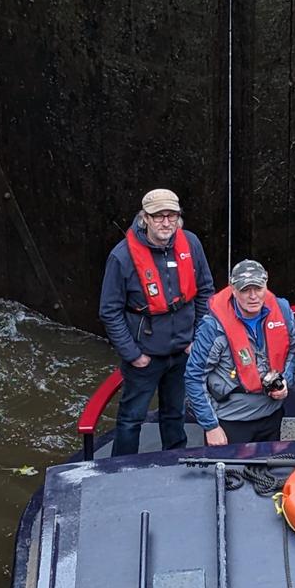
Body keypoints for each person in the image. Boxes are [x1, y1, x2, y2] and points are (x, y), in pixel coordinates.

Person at [99, 189, 215, 456]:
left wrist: (197, 337)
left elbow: (206, 291)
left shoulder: (192, 244)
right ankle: (122, 467)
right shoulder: (122, 257)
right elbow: (110, 311)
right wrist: (133, 354)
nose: (166, 223)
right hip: (145, 356)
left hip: (183, 350)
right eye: (158, 216)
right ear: (145, 218)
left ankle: (175, 461)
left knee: (175, 413)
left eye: (171, 216)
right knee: (131, 419)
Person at [185, 259, 295, 445]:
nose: (253, 296)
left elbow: (294, 349)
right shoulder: (212, 327)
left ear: (266, 285)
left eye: (258, 288)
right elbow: (193, 377)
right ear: (233, 289)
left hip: (271, 417)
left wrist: (286, 380)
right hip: (231, 422)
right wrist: (211, 426)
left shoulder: (283, 312)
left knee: (268, 474)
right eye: (245, 290)